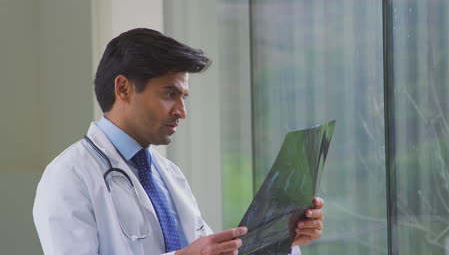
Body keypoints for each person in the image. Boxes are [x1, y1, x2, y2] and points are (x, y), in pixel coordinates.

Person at [33, 28, 324, 255]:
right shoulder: (69, 176)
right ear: (123, 88)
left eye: (183, 97)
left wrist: (280, 238)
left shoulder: (168, 175)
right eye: (170, 94)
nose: (182, 112)